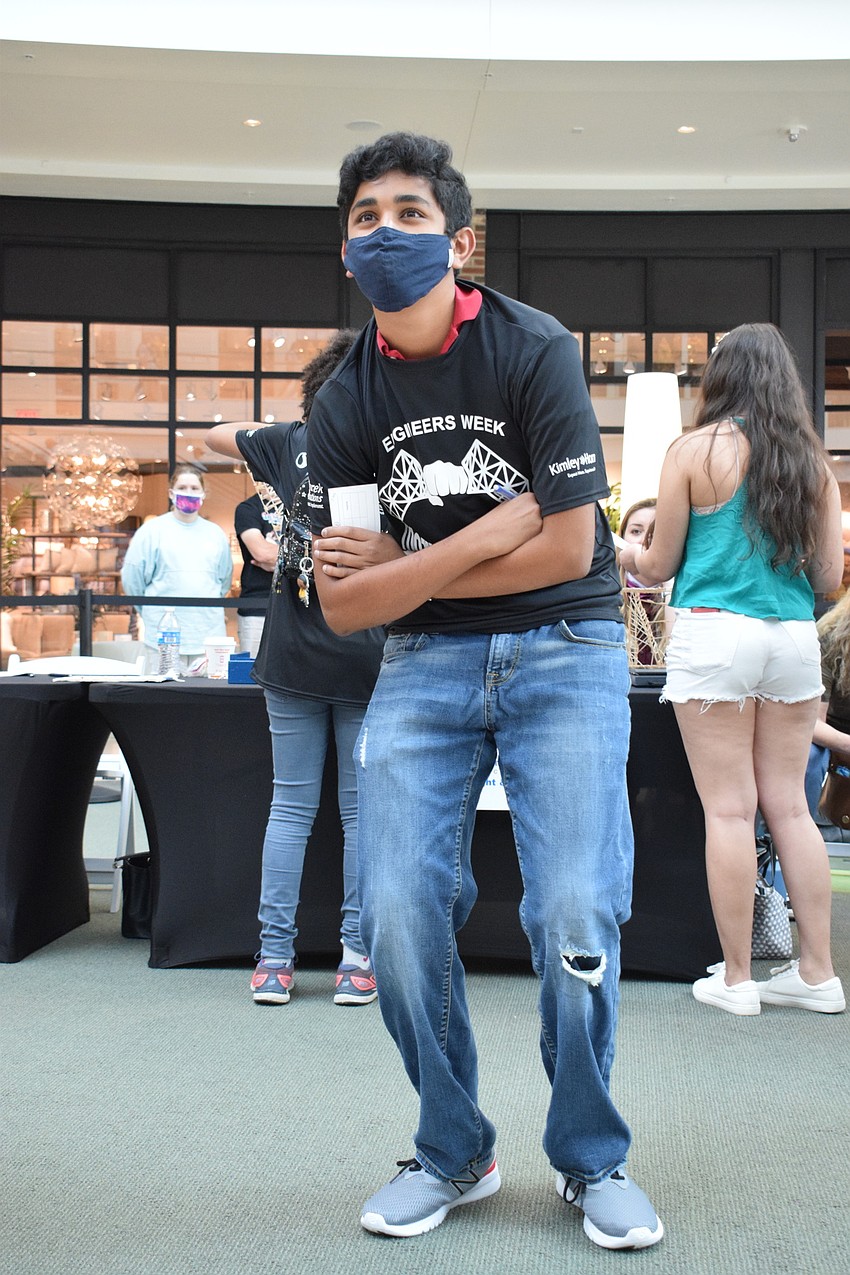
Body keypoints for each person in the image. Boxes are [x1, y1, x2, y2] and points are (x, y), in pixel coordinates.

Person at [306, 132, 663, 1250]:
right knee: (394, 915)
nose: (386, 232)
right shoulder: (344, 398)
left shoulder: (532, 346)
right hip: (424, 664)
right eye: (365, 217)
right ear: (345, 248)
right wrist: (483, 534)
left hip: (567, 648)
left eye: (410, 213)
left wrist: (410, 567)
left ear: (458, 241)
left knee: (574, 907)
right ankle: (453, 1147)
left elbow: (567, 551)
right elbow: (344, 607)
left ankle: (591, 1157)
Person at [618, 323, 845, 1017]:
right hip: (792, 638)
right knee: (791, 807)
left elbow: (658, 563)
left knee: (729, 808)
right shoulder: (812, 464)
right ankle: (818, 973)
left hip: (715, 634)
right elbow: (828, 579)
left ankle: (739, 978)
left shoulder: (693, 451)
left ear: (722, 377)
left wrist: (624, 554)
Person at [205, 329, 393, 1007]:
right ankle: (357, 959)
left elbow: (214, 435)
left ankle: (274, 961)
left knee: (289, 808)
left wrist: (280, 430)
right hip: (368, 653)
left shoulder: (289, 443)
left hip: (290, 656)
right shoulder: (388, 450)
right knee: (361, 815)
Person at [121, 462, 233, 673]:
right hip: (164, 638)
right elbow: (132, 580)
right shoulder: (152, 531)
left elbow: (224, 580)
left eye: (194, 488)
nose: (188, 493)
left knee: (210, 692)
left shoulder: (215, 534)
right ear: (171, 493)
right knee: (164, 692)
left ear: (203, 493)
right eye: (182, 488)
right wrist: (152, 612)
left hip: (208, 636)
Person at [233, 491, 279, 656]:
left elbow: (315, 554)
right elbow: (262, 553)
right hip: (256, 610)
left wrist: (280, 562)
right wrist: (297, 560)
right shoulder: (249, 508)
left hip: (300, 610)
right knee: (253, 669)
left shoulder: (302, 506)